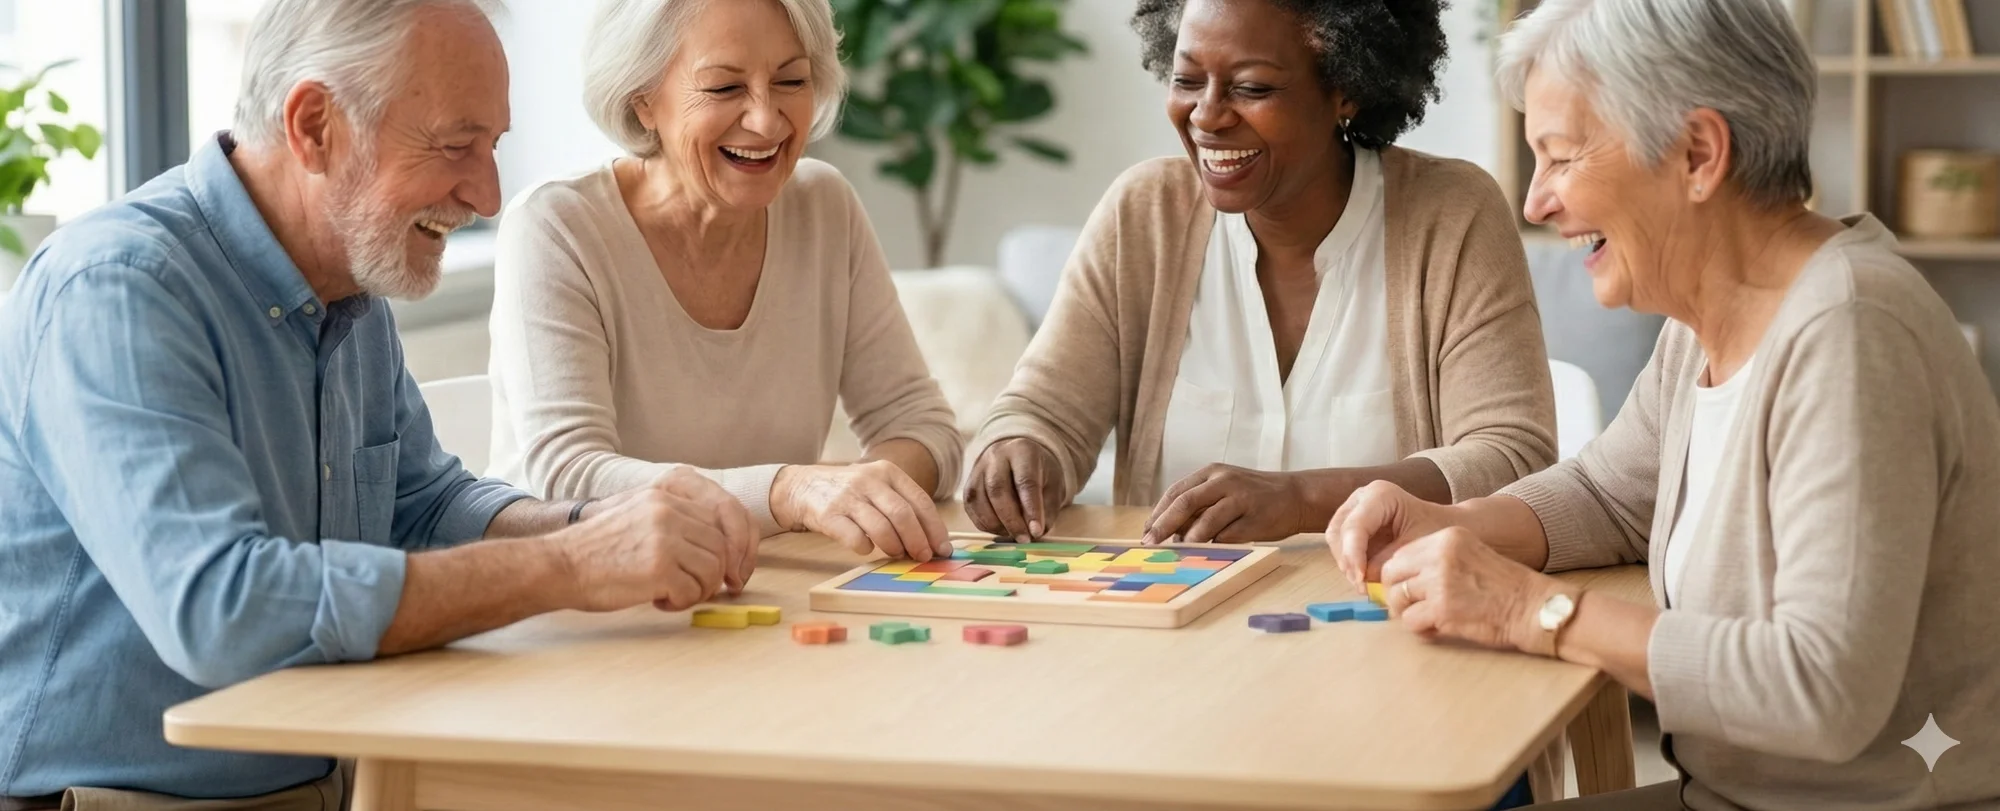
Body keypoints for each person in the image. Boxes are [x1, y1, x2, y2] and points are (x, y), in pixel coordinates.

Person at [0, 1, 758, 806]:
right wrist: (573, 565)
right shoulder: (118, 289)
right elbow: (222, 609)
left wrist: (601, 525)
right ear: (316, 125)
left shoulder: (350, 282)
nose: (489, 193)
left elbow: (424, 504)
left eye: (493, 146)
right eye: (456, 144)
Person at [1330, 0, 2000, 808]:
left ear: (1697, 153)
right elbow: (1610, 494)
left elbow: (1822, 688)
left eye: (1562, 156)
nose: (1537, 201)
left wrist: (1522, 607)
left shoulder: (1850, 334)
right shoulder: (1709, 321)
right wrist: (1454, 523)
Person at [962, 0, 1557, 551]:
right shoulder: (1144, 216)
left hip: (1386, 623)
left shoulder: (1451, 215)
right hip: (1177, 630)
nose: (1207, 115)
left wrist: (1302, 499)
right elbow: (1043, 412)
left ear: (1346, 89)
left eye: (1252, 88)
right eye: (1187, 80)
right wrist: (1018, 449)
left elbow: (1513, 459)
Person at [486, 0, 962, 564]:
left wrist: (853, 498)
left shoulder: (823, 205)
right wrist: (791, 492)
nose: (765, 120)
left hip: (759, 588)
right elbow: (567, 478)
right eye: (723, 89)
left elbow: (924, 428)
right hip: (578, 603)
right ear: (642, 100)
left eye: (791, 80)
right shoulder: (557, 225)